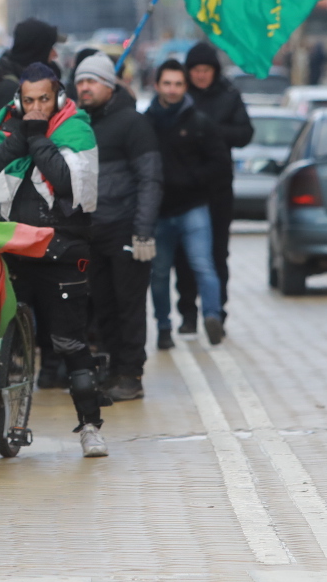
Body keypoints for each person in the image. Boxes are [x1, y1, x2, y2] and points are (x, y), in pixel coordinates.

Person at [0, 64, 108, 456]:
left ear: (59, 98)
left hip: (63, 250)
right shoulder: (7, 127)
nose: (35, 108)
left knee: (68, 340)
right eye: (28, 100)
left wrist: (36, 139)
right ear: (19, 99)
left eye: (43, 100)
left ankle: (89, 425)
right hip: (13, 247)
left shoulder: (77, 129)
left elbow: (67, 181)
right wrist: (19, 141)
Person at [74, 52, 161, 402]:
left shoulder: (132, 124)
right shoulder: (80, 124)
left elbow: (151, 179)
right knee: (103, 305)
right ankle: (112, 370)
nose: (85, 88)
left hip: (125, 229)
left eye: (92, 81)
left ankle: (131, 374)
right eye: (80, 81)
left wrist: (142, 231)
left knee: (129, 305)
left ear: (109, 85)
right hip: (92, 232)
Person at [147, 61, 229, 347]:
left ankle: (212, 316)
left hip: (193, 208)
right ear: (157, 85)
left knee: (203, 265)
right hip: (158, 212)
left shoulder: (199, 122)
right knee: (158, 274)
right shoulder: (146, 122)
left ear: (185, 87)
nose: (172, 90)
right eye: (167, 83)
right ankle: (164, 327)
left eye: (178, 84)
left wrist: (192, 179)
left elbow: (219, 162)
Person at [179, 41, 253, 330]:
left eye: (205, 70)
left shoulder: (229, 96)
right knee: (184, 256)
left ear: (214, 70)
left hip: (218, 188)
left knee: (217, 253)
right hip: (184, 187)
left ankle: (217, 311)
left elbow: (245, 133)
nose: (200, 75)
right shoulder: (180, 96)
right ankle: (187, 313)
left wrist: (210, 132)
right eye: (195, 70)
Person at [0, 18, 59, 122]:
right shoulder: (7, 89)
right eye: (50, 48)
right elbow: (6, 133)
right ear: (37, 50)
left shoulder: (31, 77)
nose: (55, 54)